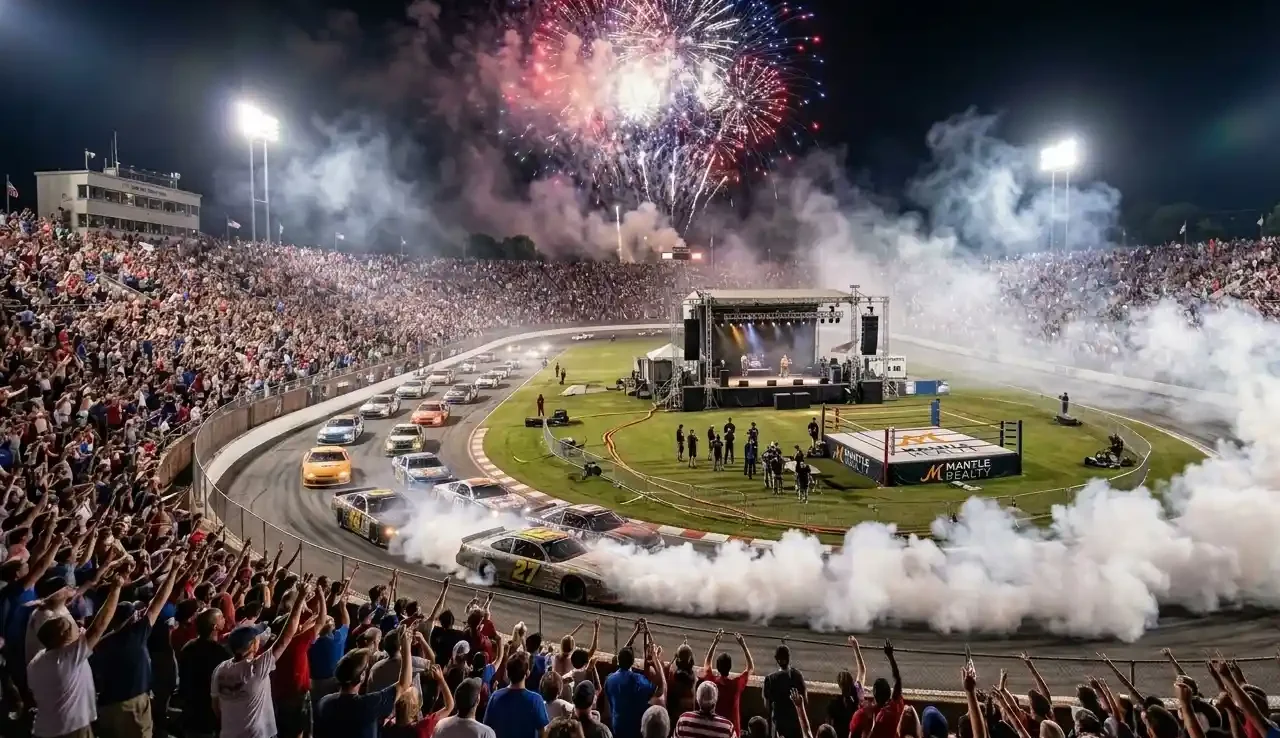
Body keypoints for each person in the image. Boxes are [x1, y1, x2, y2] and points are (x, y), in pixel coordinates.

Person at [91, 556, 183, 738]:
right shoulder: (135, 634)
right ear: (130, 618)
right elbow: (158, 601)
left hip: (106, 706)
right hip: (131, 707)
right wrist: (174, 570)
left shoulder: (100, 642)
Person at [28, 573, 125, 738]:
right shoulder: (68, 658)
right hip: (72, 727)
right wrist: (115, 589)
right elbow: (98, 627)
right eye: (72, 628)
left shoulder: (36, 662)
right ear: (63, 639)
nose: (79, 630)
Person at [211, 583, 310, 738]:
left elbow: (216, 706)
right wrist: (300, 599)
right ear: (253, 646)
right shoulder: (256, 669)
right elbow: (285, 639)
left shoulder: (220, 669)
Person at [314, 622, 415, 738]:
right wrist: (406, 646)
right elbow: (404, 684)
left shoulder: (324, 702)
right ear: (362, 676)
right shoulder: (369, 705)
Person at [179, 608, 233, 738]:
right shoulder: (220, 653)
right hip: (209, 711)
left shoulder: (188, 647)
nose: (224, 619)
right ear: (215, 627)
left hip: (190, 709)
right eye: (221, 617)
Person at [483, 651, 549, 738]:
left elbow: (487, 728)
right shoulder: (536, 700)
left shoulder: (495, 696)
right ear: (527, 673)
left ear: (507, 672)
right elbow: (543, 733)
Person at [847, 642, 902, 738]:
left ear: (874, 693)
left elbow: (852, 734)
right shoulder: (895, 708)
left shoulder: (864, 712)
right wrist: (890, 656)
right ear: (889, 694)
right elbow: (898, 680)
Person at [702, 631, 753, 734]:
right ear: (730, 667)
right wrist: (743, 644)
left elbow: (707, 665)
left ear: (717, 667)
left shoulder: (712, 683)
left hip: (715, 731)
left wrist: (715, 642)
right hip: (732, 732)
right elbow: (750, 668)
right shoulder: (736, 685)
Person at [604, 643, 655, 738]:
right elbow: (654, 688)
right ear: (633, 662)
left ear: (619, 660)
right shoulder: (638, 680)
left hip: (617, 727)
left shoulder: (609, 679)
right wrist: (655, 661)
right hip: (635, 730)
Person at [763, 645, 806, 738]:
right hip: (796, 726)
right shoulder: (798, 676)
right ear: (789, 658)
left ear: (776, 659)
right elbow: (805, 701)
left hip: (779, 727)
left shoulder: (770, 679)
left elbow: (767, 707)